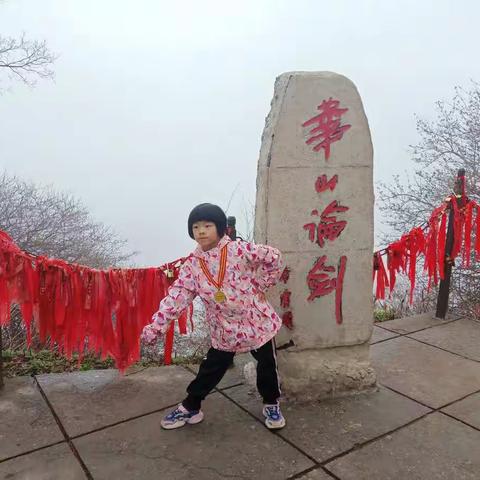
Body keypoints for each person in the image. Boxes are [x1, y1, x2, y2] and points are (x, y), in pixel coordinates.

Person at [141, 203, 286, 430]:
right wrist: (157, 326)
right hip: (225, 328)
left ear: (220, 228)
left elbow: (274, 257)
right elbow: (177, 297)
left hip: (256, 322)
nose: (201, 231)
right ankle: (191, 407)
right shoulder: (192, 266)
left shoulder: (239, 250)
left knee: (267, 364)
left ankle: (271, 403)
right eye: (196, 227)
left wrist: (261, 283)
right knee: (211, 368)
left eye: (207, 225)